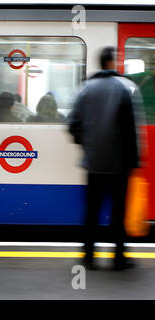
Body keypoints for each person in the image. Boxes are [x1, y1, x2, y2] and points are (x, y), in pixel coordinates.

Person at [68, 47, 144, 271]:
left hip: (93, 163)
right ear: (112, 62)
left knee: (91, 212)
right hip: (119, 165)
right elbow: (131, 130)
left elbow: (73, 125)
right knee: (118, 213)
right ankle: (118, 257)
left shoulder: (85, 89)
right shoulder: (124, 88)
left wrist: (87, 144)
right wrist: (134, 160)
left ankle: (89, 257)